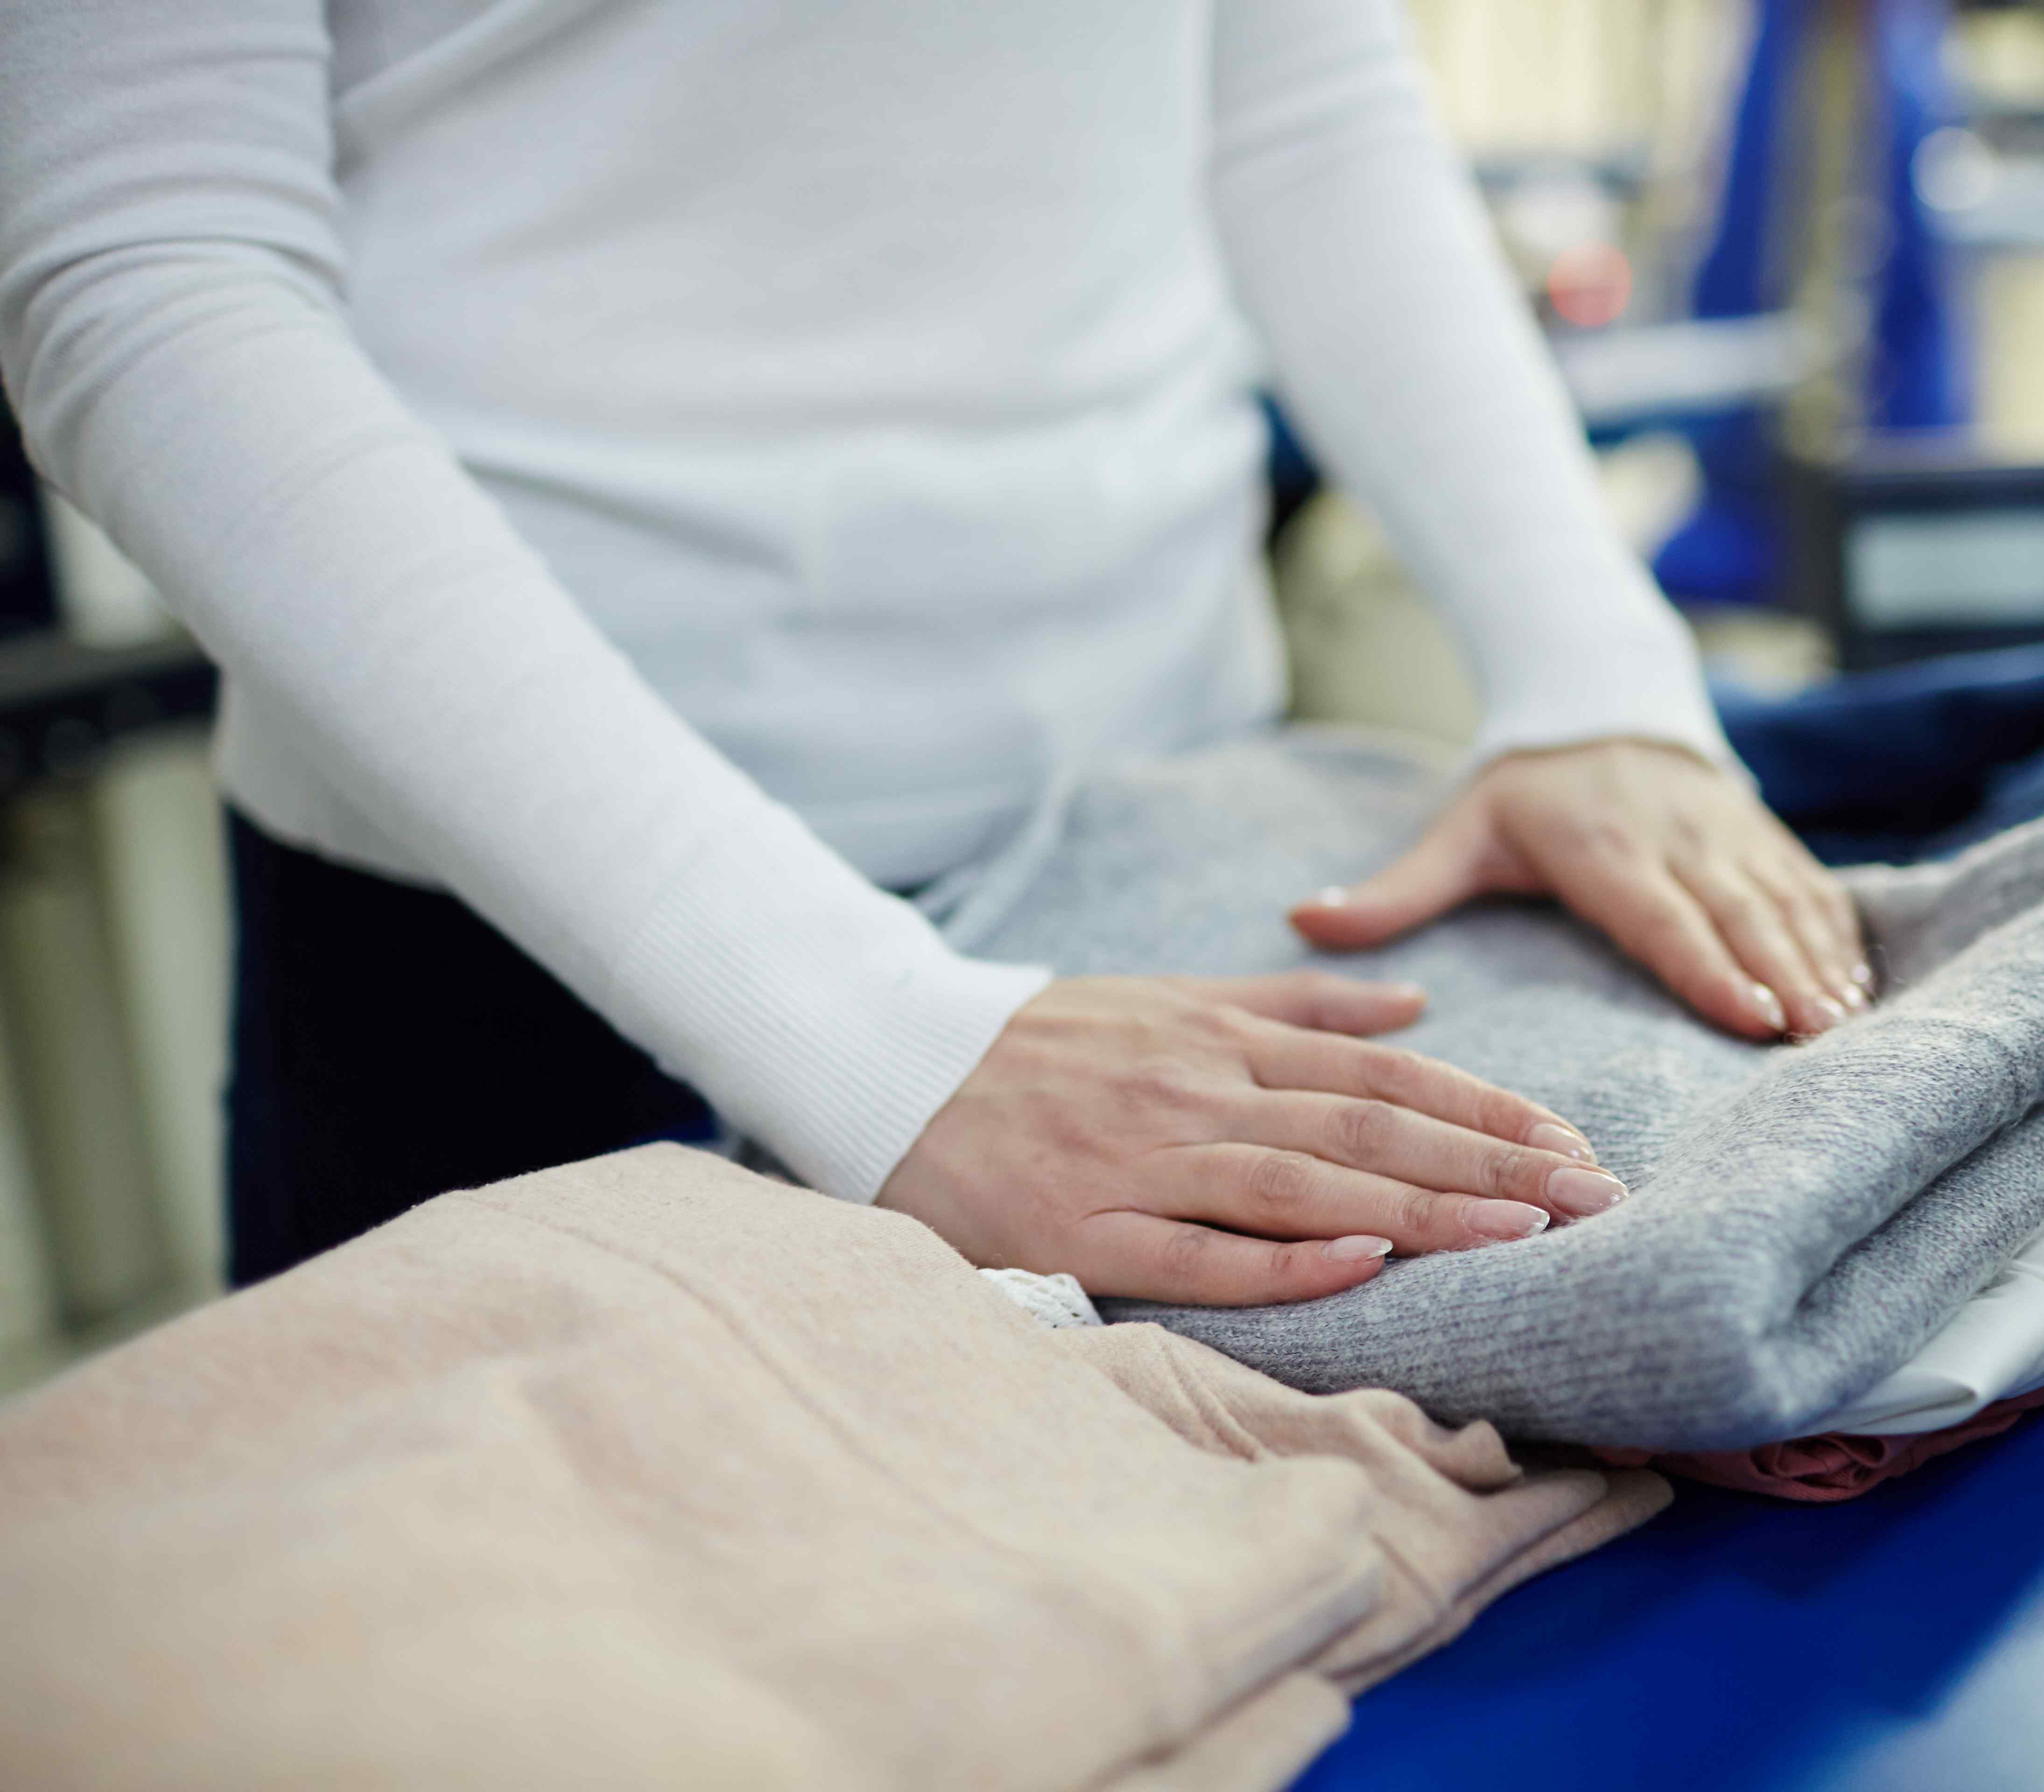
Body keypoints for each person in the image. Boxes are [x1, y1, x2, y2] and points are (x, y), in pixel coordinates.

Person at [0, 0, 1866, 1304]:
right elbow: (145, 257)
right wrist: (865, 1041)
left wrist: (1593, 676)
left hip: (1174, 860)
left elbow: (1299, 94)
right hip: (503, 944)